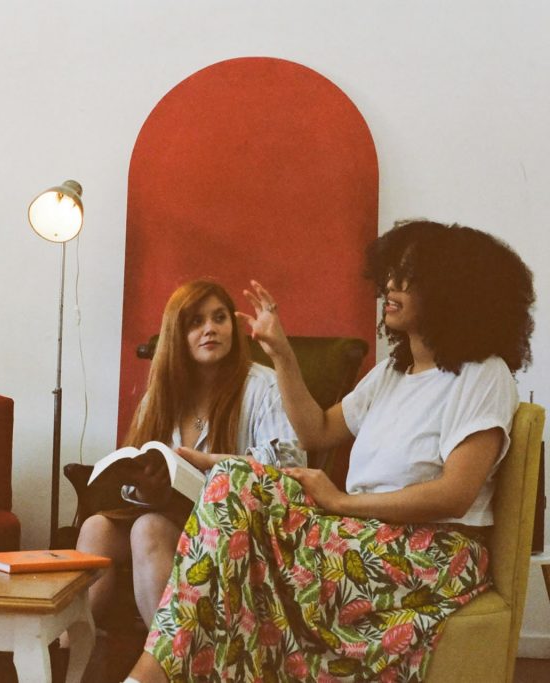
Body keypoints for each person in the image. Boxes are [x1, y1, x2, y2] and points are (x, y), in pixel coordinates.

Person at [127, 220, 535, 683]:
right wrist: (280, 352)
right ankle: (164, 672)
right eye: (390, 273)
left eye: (409, 277)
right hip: (365, 532)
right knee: (230, 481)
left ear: (450, 292)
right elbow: (316, 431)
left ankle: (154, 675)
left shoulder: (482, 375)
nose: (390, 286)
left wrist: (341, 502)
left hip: (434, 551)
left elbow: (455, 494)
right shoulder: (391, 374)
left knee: (242, 523)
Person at [76, 279, 305, 629]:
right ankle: (71, 652)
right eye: (196, 322)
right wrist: (145, 489)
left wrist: (215, 465)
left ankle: (170, 657)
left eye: (219, 318)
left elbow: (291, 463)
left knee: (148, 529)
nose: (210, 329)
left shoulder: (263, 386)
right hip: (174, 514)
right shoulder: (161, 395)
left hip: (234, 524)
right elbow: (138, 465)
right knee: (96, 528)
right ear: (176, 335)